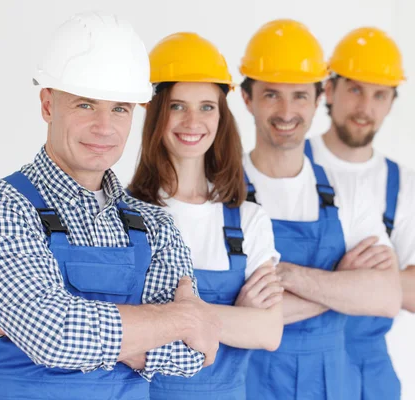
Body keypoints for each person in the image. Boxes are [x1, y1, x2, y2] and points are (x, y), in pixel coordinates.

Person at [0, 12, 221, 400]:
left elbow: (189, 356)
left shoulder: (154, 225)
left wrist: (43, 324)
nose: (104, 127)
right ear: (47, 104)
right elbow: (52, 335)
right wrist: (183, 317)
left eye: (120, 108)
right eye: (85, 105)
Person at [236, 19, 402, 399]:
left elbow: (386, 297)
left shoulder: (350, 191)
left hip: (332, 385)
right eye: (271, 95)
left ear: (319, 97)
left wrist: (286, 275)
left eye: (299, 96)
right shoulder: (222, 191)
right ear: (247, 99)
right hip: (248, 384)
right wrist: (339, 284)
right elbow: (223, 314)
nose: (286, 111)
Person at [127, 32, 284, 400]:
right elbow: (118, 336)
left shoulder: (249, 220)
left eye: (206, 106)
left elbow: (268, 332)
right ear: (153, 110)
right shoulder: (124, 214)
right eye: (177, 106)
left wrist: (166, 317)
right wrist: (232, 317)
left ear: (222, 113)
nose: (192, 121)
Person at [305, 26, 415, 400]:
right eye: (355, 89)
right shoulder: (290, 166)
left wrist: (317, 280)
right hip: (294, 360)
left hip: (368, 370)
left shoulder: (405, 185)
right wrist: (368, 280)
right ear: (329, 90)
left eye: (380, 94)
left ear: (392, 102)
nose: (366, 107)